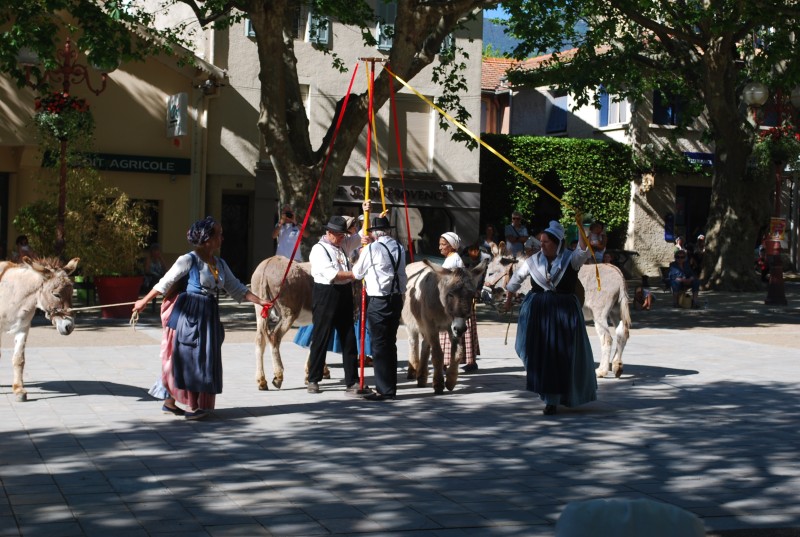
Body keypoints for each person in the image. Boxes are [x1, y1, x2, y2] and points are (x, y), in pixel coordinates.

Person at [133, 216, 270, 420]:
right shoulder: (188, 260)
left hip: (208, 314)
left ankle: (170, 402)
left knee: (201, 358)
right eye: (219, 235)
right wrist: (143, 302)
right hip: (190, 315)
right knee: (192, 358)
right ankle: (192, 407)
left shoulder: (219, 263)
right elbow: (165, 282)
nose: (222, 238)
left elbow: (236, 287)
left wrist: (260, 301)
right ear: (207, 239)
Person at [503, 218, 597, 415]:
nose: (541, 245)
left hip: (564, 315)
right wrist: (508, 298)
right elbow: (516, 278)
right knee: (540, 354)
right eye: (541, 241)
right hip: (539, 313)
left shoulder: (571, 259)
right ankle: (547, 394)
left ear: (557, 243)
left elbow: (584, 250)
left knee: (561, 355)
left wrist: (581, 228)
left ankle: (554, 399)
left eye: (546, 242)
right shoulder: (533, 261)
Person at [306, 203, 369, 395]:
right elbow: (333, 275)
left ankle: (352, 381)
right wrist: (356, 274)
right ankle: (313, 379)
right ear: (330, 233)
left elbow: (360, 236)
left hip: (343, 295)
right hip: (326, 294)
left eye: (344, 235)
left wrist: (365, 212)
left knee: (349, 338)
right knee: (321, 337)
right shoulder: (318, 250)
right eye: (340, 235)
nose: (343, 238)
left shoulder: (342, 244)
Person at [352, 214, 407, 401]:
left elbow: (357, 273)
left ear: (374, 233)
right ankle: (389, 386)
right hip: (396, 299)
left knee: (379, 345)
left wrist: (362, 254)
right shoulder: (399, 247)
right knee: (390, 343)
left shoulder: (372, 248)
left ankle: (385, 390)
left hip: (379, 300)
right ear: (388, 231)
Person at [438, 231, 480, 372]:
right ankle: (465, 360)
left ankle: (452, 361)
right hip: (457, 300)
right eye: (440, 244)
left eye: (443, 244)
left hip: (458, 303)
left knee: (455, 330)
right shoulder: (451, 258)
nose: (440, 247)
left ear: (451, 246)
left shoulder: (453, 260)